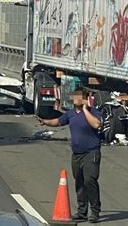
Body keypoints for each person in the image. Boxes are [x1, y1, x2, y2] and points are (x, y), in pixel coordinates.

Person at [37, 89, 102, 223]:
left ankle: (95, 211)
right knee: (79, 182)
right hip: (77, 155)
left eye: (81, 98)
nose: (78, 100)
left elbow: (96, 124)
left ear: (85, 99)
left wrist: (85, 110)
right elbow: (58, 121)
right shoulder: (70, 114)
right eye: (76, 97)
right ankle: (82, 211)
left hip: (91, 153)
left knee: (90, 180)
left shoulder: (93, 112)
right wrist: (45, 122)